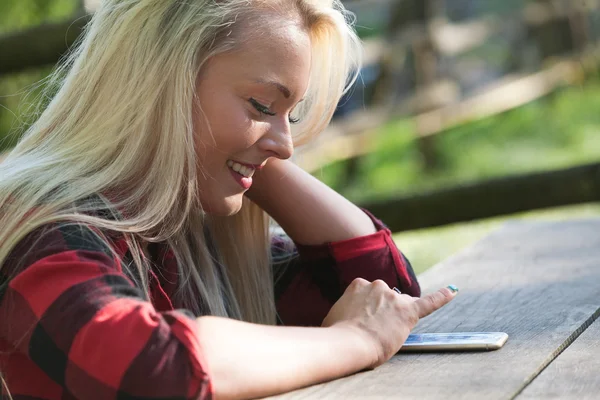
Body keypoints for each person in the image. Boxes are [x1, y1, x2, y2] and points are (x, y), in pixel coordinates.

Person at [0, 0, 457, 398]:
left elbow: (375, 289)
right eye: (261, 104)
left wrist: (248, 144)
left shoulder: (184, 230)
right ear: (162, 81)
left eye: (291, 115)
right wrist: (357, 340)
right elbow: (149, 371)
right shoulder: (44, 226)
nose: (287, 146)